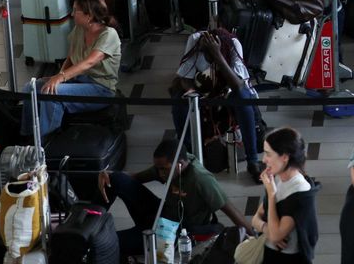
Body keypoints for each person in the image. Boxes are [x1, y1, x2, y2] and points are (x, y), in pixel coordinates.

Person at [98, 139, 251, 256]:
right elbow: (136, 178)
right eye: (158, 169)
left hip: (177, 231)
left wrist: (256, 239)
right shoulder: (167, 165)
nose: (161, 174)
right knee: (117, 179)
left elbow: (231, 210)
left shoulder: (201, 179)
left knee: (107, 243)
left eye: (163, 169)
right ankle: (92, 217)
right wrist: (109, 175)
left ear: (179, 164)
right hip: (162, 213)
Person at [169, 27, 263, 181]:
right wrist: (198, 93)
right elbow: (184, 78)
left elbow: (238, 85)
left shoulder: (233, 44)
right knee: (180, 102)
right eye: (207, 55)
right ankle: (186, 154)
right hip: (202, 90)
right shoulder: (195, 40)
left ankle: (252, 160)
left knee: (242, 97)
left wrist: (217, 55)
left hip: (228, 91)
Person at [22, 0, 119, 137]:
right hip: (79, 80)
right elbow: (71, 58)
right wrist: (57, 77)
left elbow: (89, 62)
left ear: (89, 15)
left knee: (52, 93)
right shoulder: (79, 29)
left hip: (101, 88)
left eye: (75, 11)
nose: (72, 14)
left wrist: (60, 79)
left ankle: (44, 142)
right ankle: (28, 136)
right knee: (30, 87)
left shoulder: (109, 34)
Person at [251, 127, 319, 264]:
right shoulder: (277, 178)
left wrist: (271, 195)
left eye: (268, 154)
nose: (264, 160)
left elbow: (276, 235)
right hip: (270, 254)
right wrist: (267, 229)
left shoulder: (300, 191)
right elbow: (255, 219)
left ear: (285, 157)